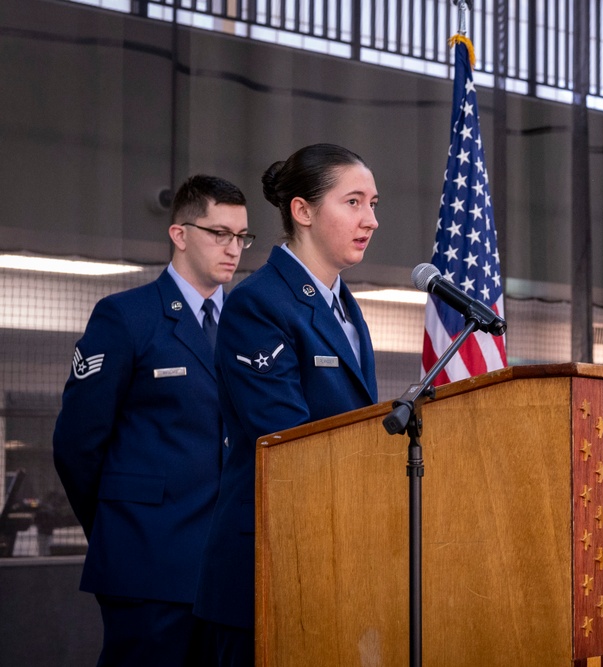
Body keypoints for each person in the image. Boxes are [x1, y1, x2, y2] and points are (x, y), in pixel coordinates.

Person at [52, 174, 252, 666]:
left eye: (242, 236)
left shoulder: (249, 326)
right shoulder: (127, 317)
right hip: (147, 564)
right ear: (179, 234)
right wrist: (121, 526)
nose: (234, 248)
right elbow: (78, 445)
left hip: (227, 573)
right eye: (218, 233)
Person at [194, 144, 380, 665]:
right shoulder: (260, 303)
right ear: (302, 211)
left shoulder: (343, 304)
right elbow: (288, 442)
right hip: (267, 565)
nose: (371, 219)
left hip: (327, 555)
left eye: (373, 204)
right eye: (354, 202)